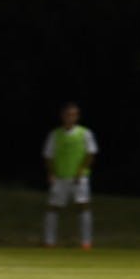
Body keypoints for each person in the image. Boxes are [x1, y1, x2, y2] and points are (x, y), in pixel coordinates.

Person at [42, 102, 98, 250]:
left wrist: (82, 170)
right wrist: (51, 173)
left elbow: (91, 153)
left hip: (79, 178)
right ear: (62, 116)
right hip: (60, 177)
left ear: (77, 117)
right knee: (53, 207)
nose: (70, 117)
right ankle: (49, 241)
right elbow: (48, 156)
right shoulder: (55, 134)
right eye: (68, 114)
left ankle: (86, 242)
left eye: (73, 115)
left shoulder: (85, 133)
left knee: (83, 206)